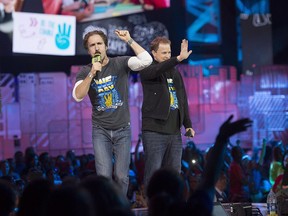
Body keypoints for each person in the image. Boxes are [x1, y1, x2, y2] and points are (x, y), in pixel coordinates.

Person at [72, 27, 152, 195]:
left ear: (106, 46)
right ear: (88, 50)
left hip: (123, 128)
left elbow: (146, 60)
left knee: (122, 176)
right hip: (100, 131)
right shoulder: (85, 71)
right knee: (104, 177)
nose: (96, 47)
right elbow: (78, 96)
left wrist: (129, 40)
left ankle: (119, 208)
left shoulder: (120, 63)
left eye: (99, 43)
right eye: (92, 45)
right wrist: (92, 73)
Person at [139, 36, 195, 191]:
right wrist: (178, 58)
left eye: (169, 52)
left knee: (174, 176)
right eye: (163, 52)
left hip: (174, 133)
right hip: (154, 131)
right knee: (153, 174)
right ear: (154, 54)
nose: (167, 56)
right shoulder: (148, 69)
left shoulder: (175, 73)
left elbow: (182, 100)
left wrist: (188, 125)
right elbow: (157, 69)